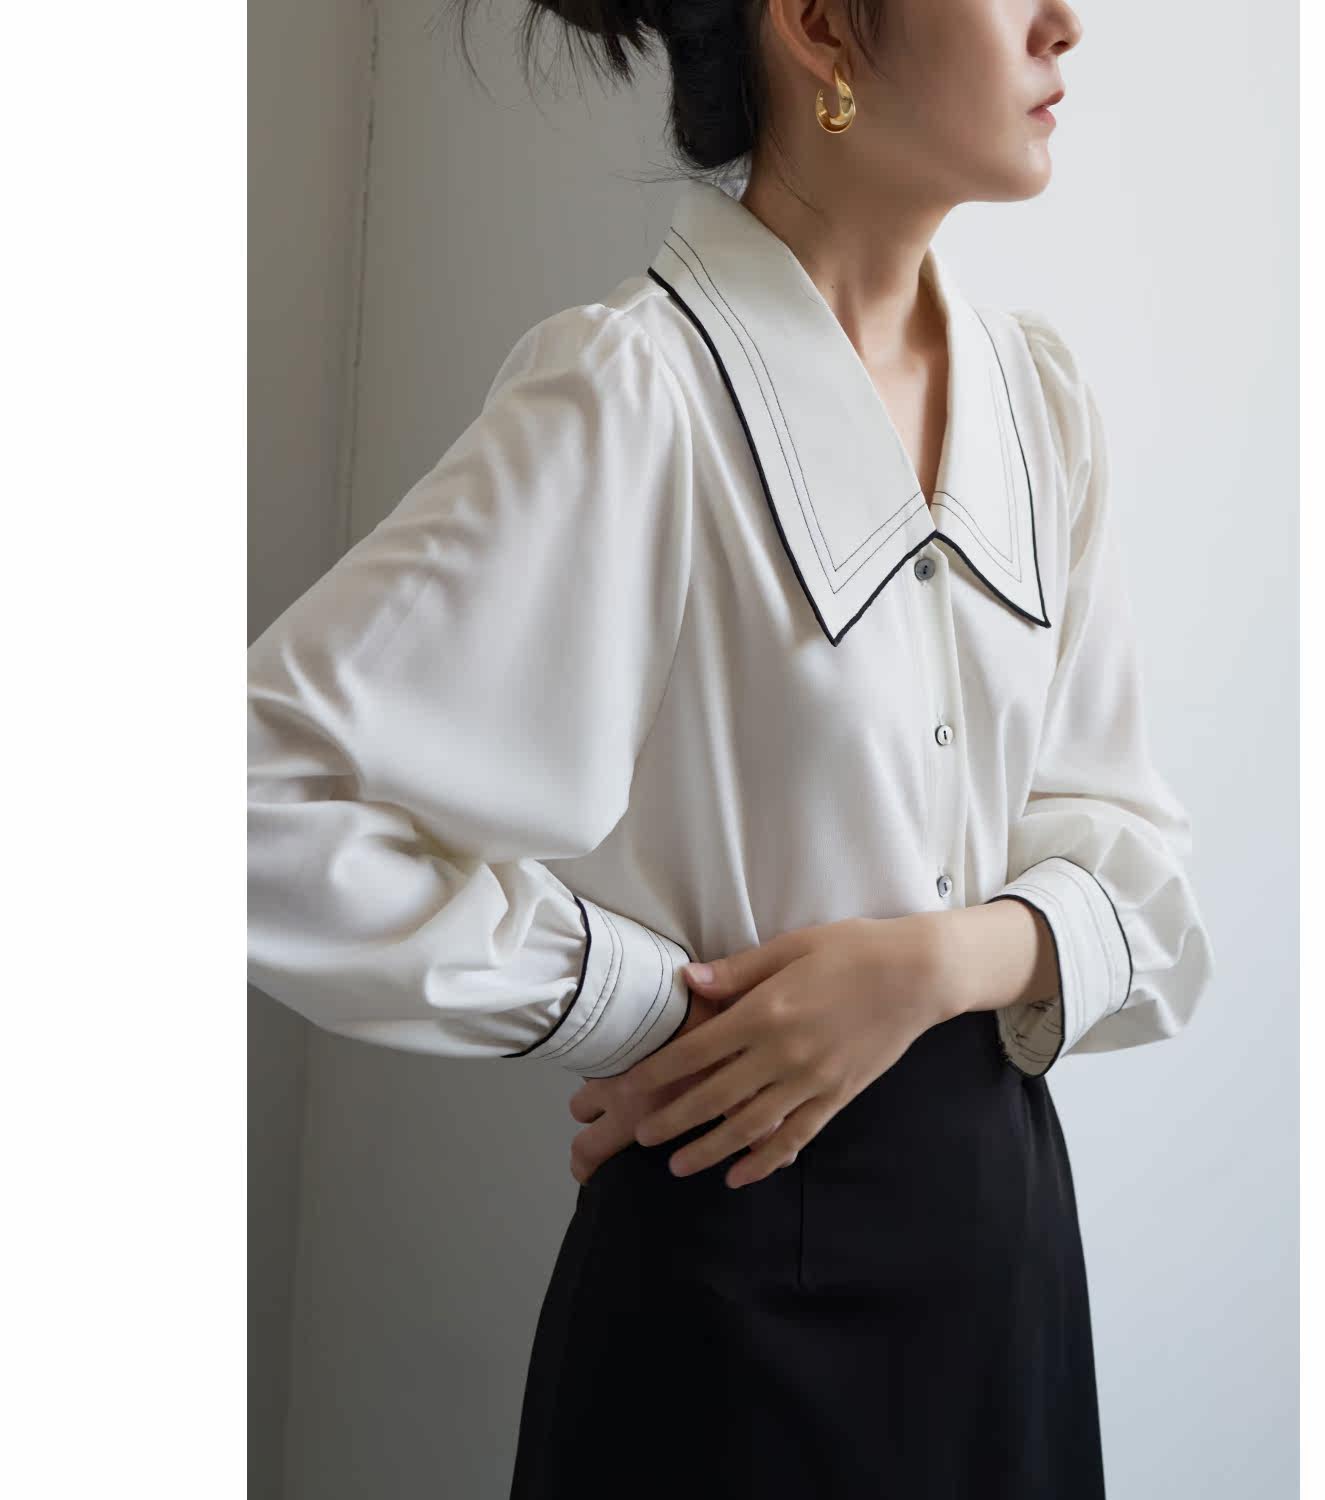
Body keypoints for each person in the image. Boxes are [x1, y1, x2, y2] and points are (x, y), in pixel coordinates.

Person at [248, 1, 1216, 1494]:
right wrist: (637, 1003)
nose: (1062, 23)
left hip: (1007, 1281)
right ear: (821, 25)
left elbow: (1145, 884)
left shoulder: (1041, 411)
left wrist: (933, 964)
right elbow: (257, 795)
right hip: (730, 1302)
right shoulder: (639, 396)